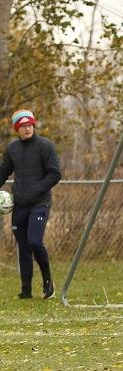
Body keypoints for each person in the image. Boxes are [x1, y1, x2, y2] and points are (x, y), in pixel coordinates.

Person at [0, 110, 62, 299]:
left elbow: (55, 173)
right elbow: (3, 172)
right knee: (23, 246)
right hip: (20, 205)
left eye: (29, 125)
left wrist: (38, 189)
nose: (27, 128)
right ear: (17, 129)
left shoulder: (45, 146)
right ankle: (26, 291)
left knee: (35, 241)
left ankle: (48, 283)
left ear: (34, 126)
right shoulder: (12, 149)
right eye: (23, 126)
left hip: (40, 203)